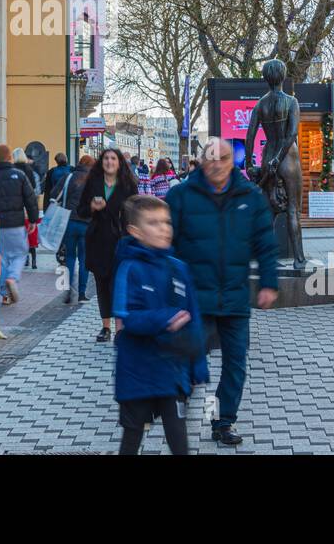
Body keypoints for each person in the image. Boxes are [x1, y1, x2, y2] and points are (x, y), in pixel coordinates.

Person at [167, 137, 279, 446]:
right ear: (202, 161)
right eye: (211, 157)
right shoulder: (180, 195)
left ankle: (222, 421)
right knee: (190, 359)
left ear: (233, 162)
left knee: (235, 365)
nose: (217, 163)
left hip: (234, 298)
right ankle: (176, 406)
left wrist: (269, 283)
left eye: (223, 158)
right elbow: (166, 245)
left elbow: (265, 245)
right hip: (194, 299)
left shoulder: (251, 197)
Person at [112, 195, 209, 455]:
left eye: (166, 222)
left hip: (172, 370)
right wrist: (164, 318)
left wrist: (199, 366)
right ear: (135, 231)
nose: (164, 228)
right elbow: (126, 317)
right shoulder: (129, 269)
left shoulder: (180, 269)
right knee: (132, 437)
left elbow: (194, 316)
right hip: (137, 372)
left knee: (179, 439)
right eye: (153, 223)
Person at [77, 148, 139, 341]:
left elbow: (135, 213)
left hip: (120, 240)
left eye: (113, 158)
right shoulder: (93, 183)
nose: (109, 162)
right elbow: (81, 211)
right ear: (101, 162)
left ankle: (120, 328)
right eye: (106, 158)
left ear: (119, 162)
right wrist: (92, 208)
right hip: (98, 240)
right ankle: (106, 327)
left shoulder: (128, 185)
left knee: (119, 283)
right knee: (102, 283)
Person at [0, 144, 40, 303]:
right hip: (16, 224)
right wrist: (33, 219)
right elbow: (30, 199)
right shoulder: (19, 176)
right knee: (20, 253)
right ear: (9, 157)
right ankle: (12, 278)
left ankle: (5, 294)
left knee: (2, 258)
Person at [58, 154, 95, 304]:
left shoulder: (68, 177)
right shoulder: (94, 181)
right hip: (87, 223)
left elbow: (55, 195)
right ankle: (81, 293)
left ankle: (67, 289)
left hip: (70, 221)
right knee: (84, 259)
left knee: (70, 257)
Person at [12, 148, 41, 268]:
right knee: (31, 234)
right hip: (28, 205)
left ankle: (25, 259)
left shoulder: (12, 169)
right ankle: (33, 260)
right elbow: (35, 190)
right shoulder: (30, 170)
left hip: (16, 206)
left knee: (20, 234)